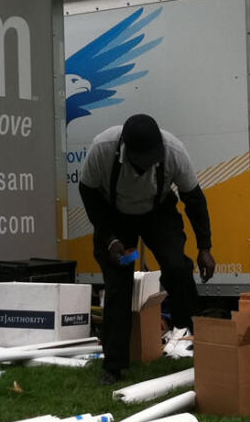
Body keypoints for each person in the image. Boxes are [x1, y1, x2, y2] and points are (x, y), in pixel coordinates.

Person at [79, 113, 216, 382]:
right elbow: (89, 195)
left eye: (151, 160)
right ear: (124, 150)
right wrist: (109, 239)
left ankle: (191, 338)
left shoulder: (174, 151)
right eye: (139, 161)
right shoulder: (102, 148)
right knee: (120, 284)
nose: (145, 167)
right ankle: (114, 366)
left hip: (158, 214)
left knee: (177, 267)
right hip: (116, 220)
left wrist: (205, 247)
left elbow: (194, 200)